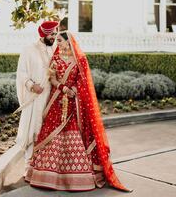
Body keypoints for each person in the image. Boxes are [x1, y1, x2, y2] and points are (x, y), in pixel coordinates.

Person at [25, 31, 130, 192]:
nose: (57, 44)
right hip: (56, 101)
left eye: (60, 41)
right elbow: (52, 80)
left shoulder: (80, 60)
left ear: (68, 42)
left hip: (74, 104)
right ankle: (46, 175)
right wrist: (63, 88)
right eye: (57, 41)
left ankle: (76, 178)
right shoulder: (56, 59)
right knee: (52, 135)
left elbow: (84, 84)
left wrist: (73, 91)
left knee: (73, 136)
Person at [15, 20, 59, 175]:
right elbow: (21, 73)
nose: (54, 36)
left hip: (52, 98)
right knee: (32, 130)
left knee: (47, 130)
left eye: (56, 33)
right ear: (44, 34)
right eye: (52, 34)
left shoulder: (56, 49)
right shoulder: (29, 50)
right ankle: (29, 165)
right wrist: (32, 85)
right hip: (35, 97)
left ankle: (44, 165)